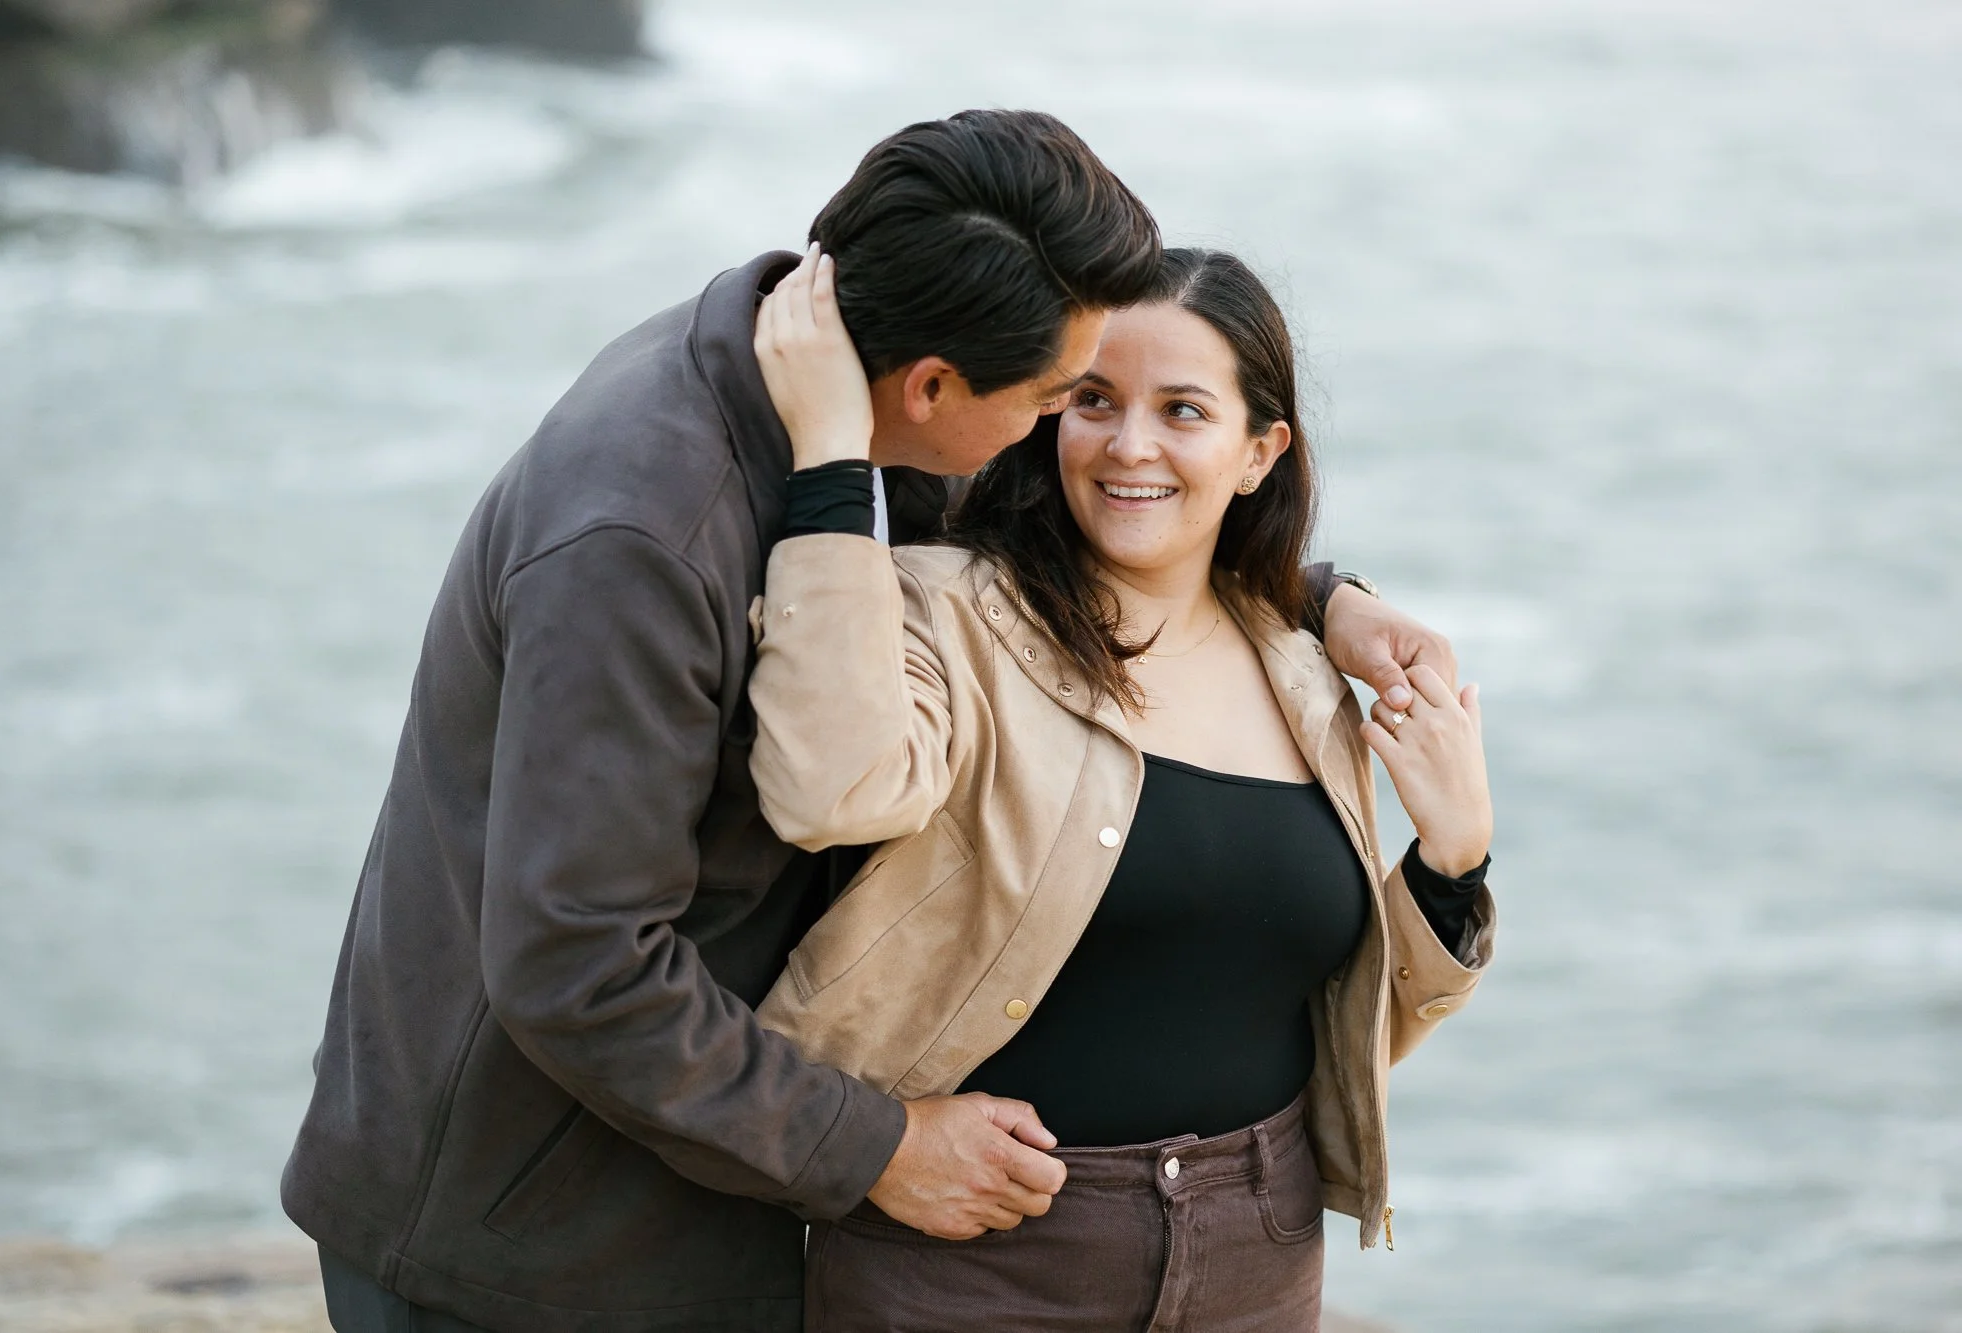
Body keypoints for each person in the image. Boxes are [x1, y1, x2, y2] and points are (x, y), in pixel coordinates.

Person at [284, 109, 1462, 1333]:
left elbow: (1082, 527)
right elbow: (576, 963)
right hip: (521, 1235)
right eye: (1060, 396)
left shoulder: (868, 394)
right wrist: (883, 1144)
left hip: (700, 1176)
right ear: (934, 388)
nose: (1061, 432)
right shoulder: (640, 533)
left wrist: (1313, 600)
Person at [746, 244, 1497, 1331]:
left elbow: (1326, 1027)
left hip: (1259, 1254)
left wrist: (1451, 860)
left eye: (1182, 409)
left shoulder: (1302, 674)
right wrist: (829, 457)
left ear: (1258, 452)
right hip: (976, 1255)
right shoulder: (941, 607)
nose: (1127, 443)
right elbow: (828, 791)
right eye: (1092, 399)